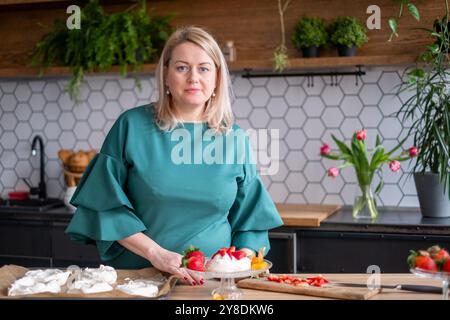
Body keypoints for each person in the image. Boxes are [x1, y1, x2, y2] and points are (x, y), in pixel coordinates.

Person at [65, 26, 283, 286]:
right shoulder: (131, 126)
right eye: (182, 67)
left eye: (203, 68)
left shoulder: (234, 138)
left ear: (217, 79)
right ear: (166, 75)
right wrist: (155, 253)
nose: (193, 78)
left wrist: (237, 264)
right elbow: (103, 204)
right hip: (138, 280)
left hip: (211, 285)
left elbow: (250, 217)